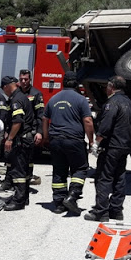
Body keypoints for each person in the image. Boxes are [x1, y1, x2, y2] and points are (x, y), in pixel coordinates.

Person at [42, 71, 94, 215]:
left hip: (55, 140)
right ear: (76, 83)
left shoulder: (53, 99)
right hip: (74, 140)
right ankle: (72, 197)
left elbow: (45, 119)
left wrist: (46, 137)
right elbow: (88, 121)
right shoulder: (81, 99)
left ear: (63, 83)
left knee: (59, 170)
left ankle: (59, 203)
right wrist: (91, 141)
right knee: (80, 168)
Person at [84, 76, 131, 222]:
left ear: (111, 86)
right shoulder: (130, 103)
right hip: (124, 146)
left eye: (108, 86)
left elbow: (106, 125)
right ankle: (116, 210)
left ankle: (101, 212)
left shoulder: (112, 103)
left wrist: (96, 143)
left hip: (111, 146)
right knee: (119, 177)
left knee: (103, 177)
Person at [0, 76, 34, 211]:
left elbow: (18, 121)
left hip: (21, 140)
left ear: (7, 86)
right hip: (26, 139)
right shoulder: (21, 97)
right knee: (24, 170)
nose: (4, 91)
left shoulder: (16, 99)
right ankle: (24, 197)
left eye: (4, 89)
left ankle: (18, 201)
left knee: (18, 170)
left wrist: (10, 139)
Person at [19, 69, 45, 184]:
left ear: (30, 79)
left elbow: (40, 115)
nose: (23, 81)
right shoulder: (17, 92)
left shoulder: (36, 93)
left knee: (28, 157)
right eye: (21, 79)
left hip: (31, 130)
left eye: (26, 79)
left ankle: (28, 178)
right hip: (18, 129)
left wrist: (40, 132)